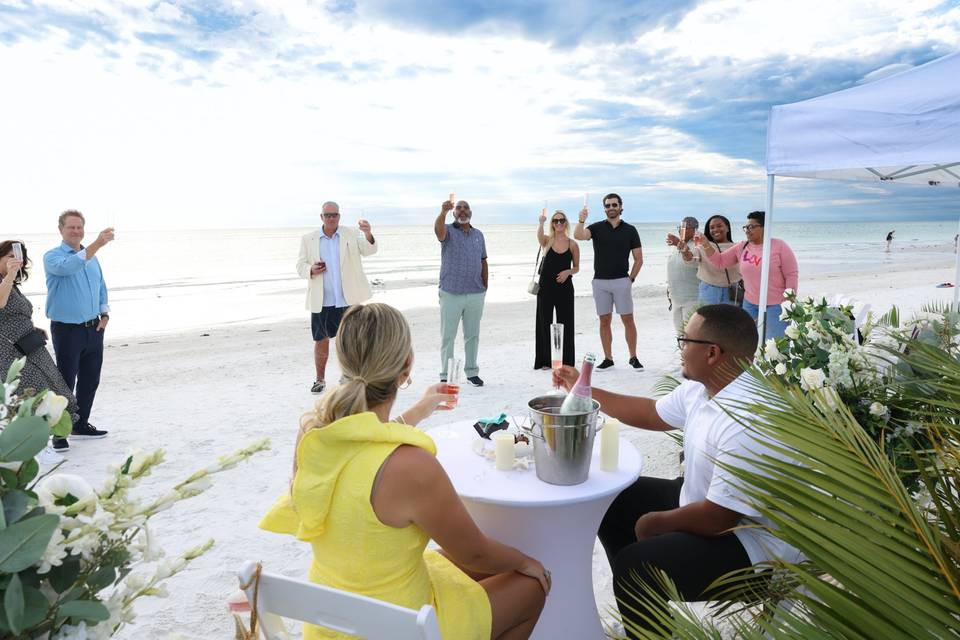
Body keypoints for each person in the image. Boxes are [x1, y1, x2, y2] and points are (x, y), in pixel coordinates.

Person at [260, 303, 548, 640]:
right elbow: (475, 552)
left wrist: (418, 411)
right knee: (531, 584)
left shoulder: (313, 433)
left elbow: (361, 441)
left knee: (470, 561)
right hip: (402, 626)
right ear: (406, 366)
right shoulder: (412, 466)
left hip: (330, 622)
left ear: (345, 361)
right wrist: (529, 563)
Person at [553, 304, 800, 638]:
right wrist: (582, 390)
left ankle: (646, 612)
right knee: (613, 499)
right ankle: (647, 617)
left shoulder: (747, 420)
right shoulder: (709, 386)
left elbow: (718, 519)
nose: (681, 349)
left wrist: (655, 522)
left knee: (635, 567)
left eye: (685, 341)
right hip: (708, 506)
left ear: (712, 353)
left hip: (754, 545)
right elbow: (652, 413)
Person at [0, 241, 77, 458]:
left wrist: (32, 327)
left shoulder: (13, 283)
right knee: (34, 395)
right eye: (9, 256)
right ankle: (35, 444)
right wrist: (8, 276)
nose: (14, 260)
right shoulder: (6, 281)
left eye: (18, 257)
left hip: (31, 345)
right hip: (9, 351)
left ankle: (59, 436)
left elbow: (13, 315)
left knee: (57, 389)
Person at [44, 210, 112, 439]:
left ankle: (80, 424)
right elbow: (69, 267)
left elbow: (101, 287)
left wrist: (105, 315)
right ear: (61, 230)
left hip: (94, 329)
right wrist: (97, 245)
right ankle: (60, 430)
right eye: (71, 227)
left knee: (90, 379)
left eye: (79, 227)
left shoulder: (92, 258)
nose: (76, 231)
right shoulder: (52, 257)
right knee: (65, 382)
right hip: (67, 330)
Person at [296, 201, 377, 394]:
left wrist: (367, 233)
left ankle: (347, 375)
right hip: (322, 299)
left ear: (339, 217)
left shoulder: (350, 233)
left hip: (347, 297)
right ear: (321, 217)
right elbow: (300, 266)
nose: (331, 218)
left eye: (334, 215)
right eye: (328, 215)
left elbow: (369, 250)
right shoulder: (309, 239)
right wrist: (311, 269)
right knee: (321, 339)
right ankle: (319, 380)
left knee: (350, 340)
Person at [698, 211, 798, 340]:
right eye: (746, 227)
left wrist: (789, 302)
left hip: (776, 305)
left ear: (764, 227)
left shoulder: (779, 246)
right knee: (749, 342)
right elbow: (720, 261)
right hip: (750, 304)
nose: (747, 230)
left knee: (776, 345)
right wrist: (705, 244)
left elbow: (791, 275)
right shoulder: (742, 246)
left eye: (751, 227)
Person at [574, 193, 643, 371]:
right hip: (600, 283)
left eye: (614, 205)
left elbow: (638, 259)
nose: (611, 208)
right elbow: (578, 236)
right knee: (604, 321)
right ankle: (608, 358)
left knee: (628, 320)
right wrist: (581, 220)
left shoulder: (630, 230)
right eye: (607, 205)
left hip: (622, 281)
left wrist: (631, 279)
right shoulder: (596, 228)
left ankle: (633, 357)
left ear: (621, 207)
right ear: (604, 209)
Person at [435, 198, 487, 386]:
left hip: (475, 292)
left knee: (472, 335)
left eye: (466, 208)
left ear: (470, 212)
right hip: (451, 292)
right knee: (448, 335)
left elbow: (483, 260)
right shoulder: (447, 230)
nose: (462, 211)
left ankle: (471, 371)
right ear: (454, 212)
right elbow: (438, 231)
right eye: (459, 208)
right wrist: (442, 212)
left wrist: (485, 286)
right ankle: (445, 373)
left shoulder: (478, 235)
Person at [533, 209, 579, 369]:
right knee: (544, 322)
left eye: (561, 220)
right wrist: (541, 222)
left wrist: (568, 272)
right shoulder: (547, 241)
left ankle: (566, 361)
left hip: (565, 288)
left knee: (566, 323)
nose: (558, 223)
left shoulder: (573, 244)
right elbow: (539, 236)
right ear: (552, 224)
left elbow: (577, 268)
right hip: (545, 287)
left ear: (566, 223)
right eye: (555, 221)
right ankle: (545, 361)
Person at [682, 214, 741, 306]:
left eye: (719, 226)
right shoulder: (703, 246)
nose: (715, 230)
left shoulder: (737, 247)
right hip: (708, 290)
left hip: (732, 291)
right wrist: (685, 251)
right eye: (712, 227)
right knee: (708, 320)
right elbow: (692, 260)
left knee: (730, 320)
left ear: (727, 228)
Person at [663, 216, 701, 334]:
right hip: (676, 299)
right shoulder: (676, 247)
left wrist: (678, 243)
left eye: (684, 227)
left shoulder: (698, 245)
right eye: (679, 227)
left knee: (691, 334)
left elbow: (694, 262)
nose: (680, 230)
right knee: (680, 335)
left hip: (692, 299)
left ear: (694, 229)